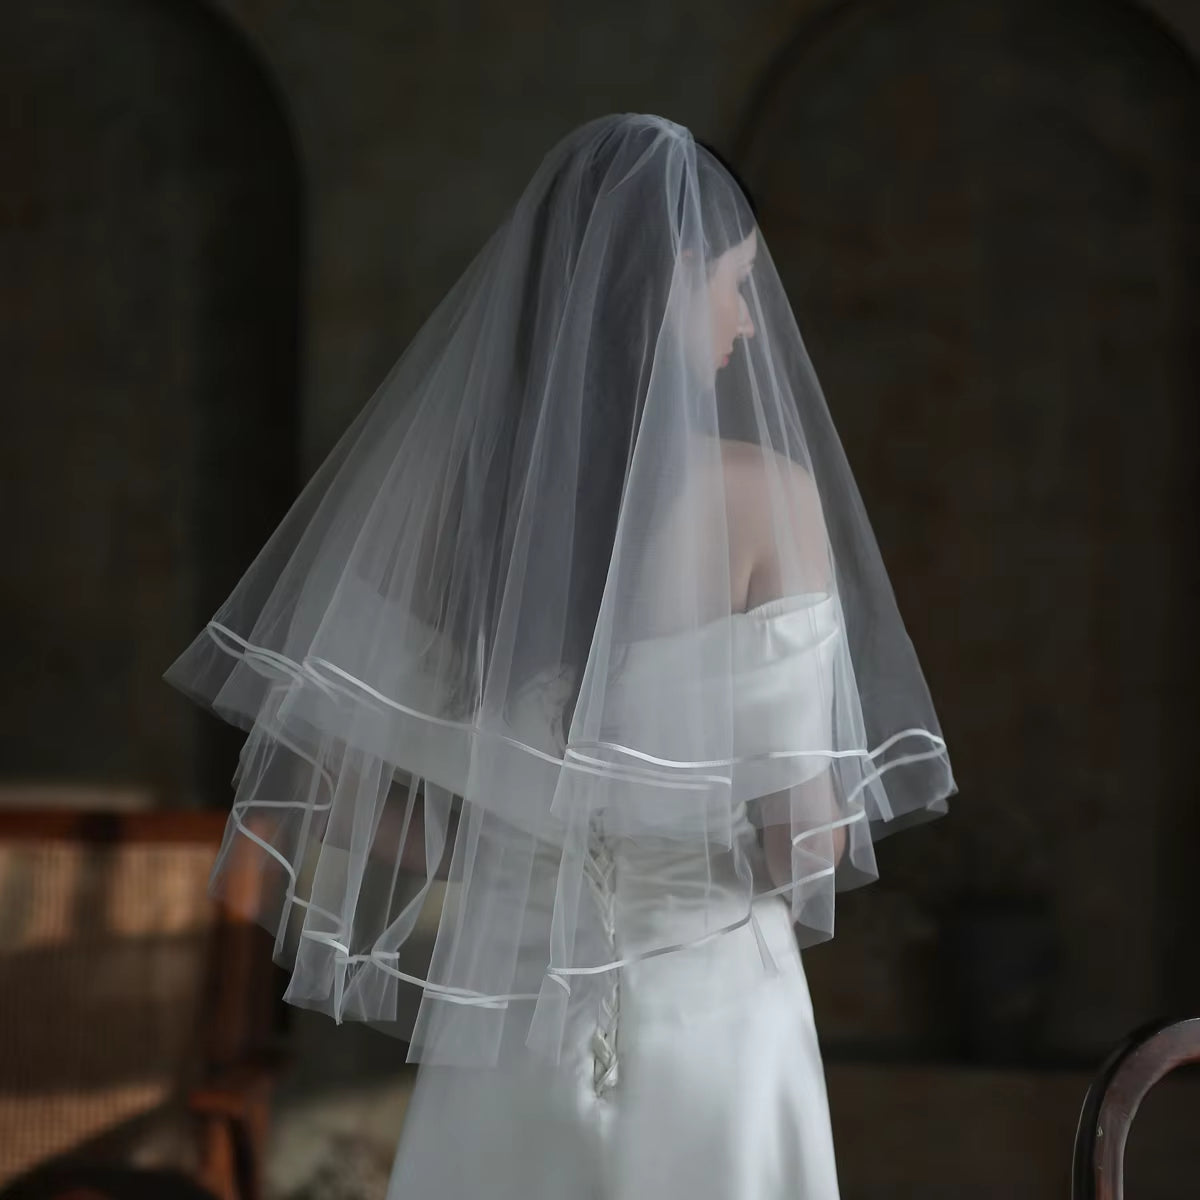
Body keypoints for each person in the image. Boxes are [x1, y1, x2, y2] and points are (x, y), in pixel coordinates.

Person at [166, 113, 954, 1199]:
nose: (748, 329)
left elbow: (339, 793)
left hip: (508, 1026)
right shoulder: (766, 503)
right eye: (734, 287)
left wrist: (513, 848)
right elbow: (801, 842)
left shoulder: (457, 506)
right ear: (671, 280)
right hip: (712, 1014)